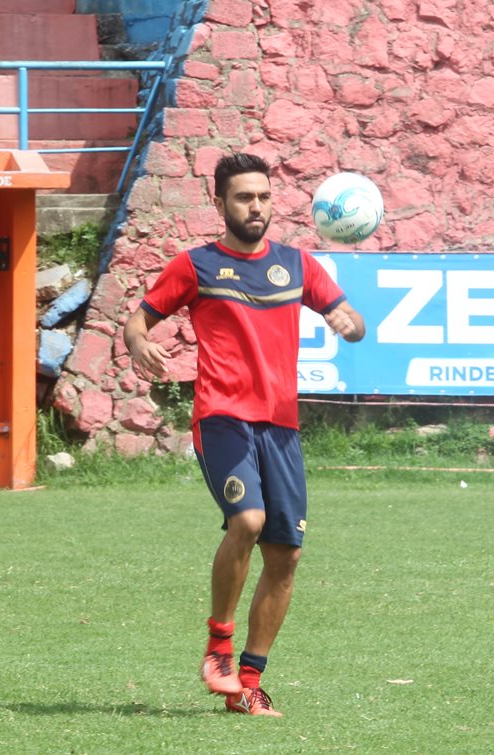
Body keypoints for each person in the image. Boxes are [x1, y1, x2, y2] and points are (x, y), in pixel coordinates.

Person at [124, 153, 366, 717]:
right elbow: (139, 319)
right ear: (220, 204)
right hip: (222, 418)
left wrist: (347, 324)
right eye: (242, 198)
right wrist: (139, 343)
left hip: (281, 427)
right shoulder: (197, 265)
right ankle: (218, 649)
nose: (255, 207)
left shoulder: (297, 264)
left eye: (262, 197)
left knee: (286, 557)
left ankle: (248, 686)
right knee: (248, 523)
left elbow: (353, 323)